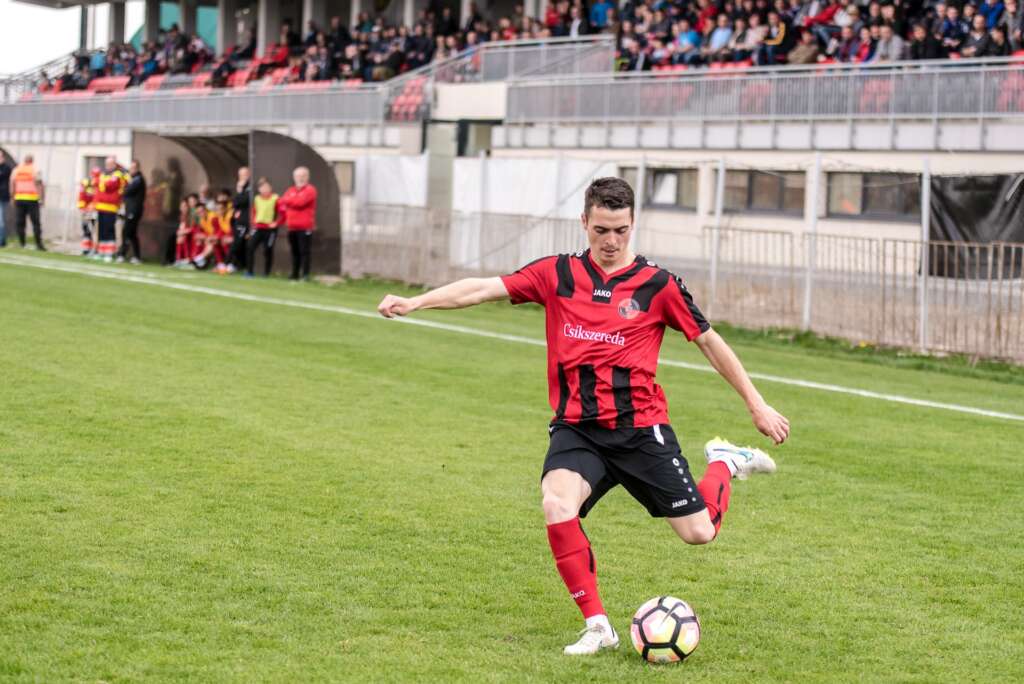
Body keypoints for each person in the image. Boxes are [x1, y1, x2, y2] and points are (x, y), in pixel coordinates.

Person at [375, 177, 790, 656]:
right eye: (601, 230)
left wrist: (756, 404)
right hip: (578, 429)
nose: (611, 241)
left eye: (620, 231)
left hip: (640, 430)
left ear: (633, 225)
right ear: (584, 223)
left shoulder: (658, 285)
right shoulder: (557, 273)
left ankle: (725, 462)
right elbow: (485, 287)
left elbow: (709, 342)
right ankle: (598, 626)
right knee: (557, 503)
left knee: (699, 533)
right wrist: (417, 301)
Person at [279, 166, 317, 281]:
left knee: (304, 251)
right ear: (294, 177)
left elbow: (300, 203)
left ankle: (305, 275)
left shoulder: (310, 190)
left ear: (307, 177)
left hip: (305, 227)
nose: (300, 178)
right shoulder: (290, 190)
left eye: (303, 176)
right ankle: (294, 274)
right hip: (292, 227)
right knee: (294, 252)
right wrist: (291, 201)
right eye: (298, 176)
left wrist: (289, 201)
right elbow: (281, 201)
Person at [93, 157, 128, 262]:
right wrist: (101, 183)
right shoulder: (104, 174)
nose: (108, 166)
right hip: (100, 206)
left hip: (111, 207)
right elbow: (96, 184)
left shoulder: (117, 174)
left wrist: (101, 183)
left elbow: (109, 186)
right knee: (101, 230)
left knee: (109, 230)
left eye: (110, 164)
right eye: (107, 164)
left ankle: (109, 252)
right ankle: (101, 251)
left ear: (114, 164)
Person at [246, 177, 281, 277]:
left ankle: (266, 273)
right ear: (259, 189)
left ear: (270, 188)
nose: (265, 189)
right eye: (262, 187)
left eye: (267, 187)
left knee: (268, 249)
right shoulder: (257, 199)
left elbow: (282, 213)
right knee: (250, 247)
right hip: (258, 228)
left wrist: (276, 223)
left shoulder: (275, 198)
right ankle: (249, 272)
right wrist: (253, 224)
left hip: (270, 230)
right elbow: (253, 212)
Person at [10, 154, 45, 250]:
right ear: (32, 161)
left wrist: (12, 197)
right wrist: (41, 199)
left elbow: (12, 183)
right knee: (36, 223)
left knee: (20, 222)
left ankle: (22, 243)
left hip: (19, 198)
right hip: (32, 199)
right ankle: (39, 244)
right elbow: (40, 185)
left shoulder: (17, 170)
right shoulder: (35, 170)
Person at [116, 160, 146, 264]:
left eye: (133, 168)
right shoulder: (133, 179)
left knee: (126, 232)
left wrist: (123, 184)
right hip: (130, 209)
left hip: (134, 211)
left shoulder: (138, 179)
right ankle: (137, 256)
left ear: (137, 169)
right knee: (132, 234)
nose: (130, 170)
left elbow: (127, 191)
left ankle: (121, 254)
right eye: (130, 167)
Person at [230, 166, 252, 272]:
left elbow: (243, 201)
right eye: (241, 175)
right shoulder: (241, 188)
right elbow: (235, 203)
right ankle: (238, 265)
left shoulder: (250, 188)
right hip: (238, 221)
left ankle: (229, 263)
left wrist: (240, 191)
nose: (243, 177)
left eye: (245, 174)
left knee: (239, 244)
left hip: (247, 221)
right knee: (238, 244)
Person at [77, 167, 99, 255]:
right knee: (86, 228)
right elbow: (81, 196)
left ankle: (94, 249)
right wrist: (83, 208)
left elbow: (98, 197)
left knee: (94, 230)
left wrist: (94, 207)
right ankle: (86, 248)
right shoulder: (86, 183)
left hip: (94, 210)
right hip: (86, 210)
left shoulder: (99, 184)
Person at [0, 151, 11, 247]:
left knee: (1, 220)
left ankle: (1, 241)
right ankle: (3, 240)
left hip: (2, 197)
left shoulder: (6, 168)